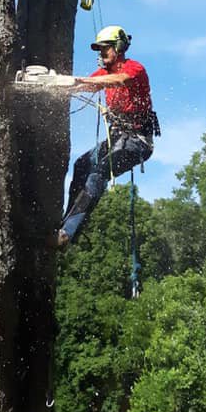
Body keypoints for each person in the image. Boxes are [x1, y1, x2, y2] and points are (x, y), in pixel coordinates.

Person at [49, 25, 159, 249]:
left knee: (98, 173)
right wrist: (58, 84)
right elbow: (87, 85)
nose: (101, 55)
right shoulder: (103, 75)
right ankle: (67, 223)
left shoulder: (134, 69)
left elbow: (118, 80)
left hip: (138, 141)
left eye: (105, 50)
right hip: (117, 137)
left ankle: (68, 233)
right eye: (99, 51)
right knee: (81, 165)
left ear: (118, 48)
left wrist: (83, 81)